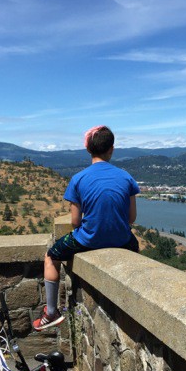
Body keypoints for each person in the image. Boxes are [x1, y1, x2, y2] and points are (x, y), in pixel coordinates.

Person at [33, 125, 140, 331]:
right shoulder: (126, 177)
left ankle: (52, 312)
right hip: (122, 240)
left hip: (87, 240)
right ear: (112, 149)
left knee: (51, 255)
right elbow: (131, 218)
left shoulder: (78, 179)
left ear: (88, 150)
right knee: (136, 248)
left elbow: (75, 222)